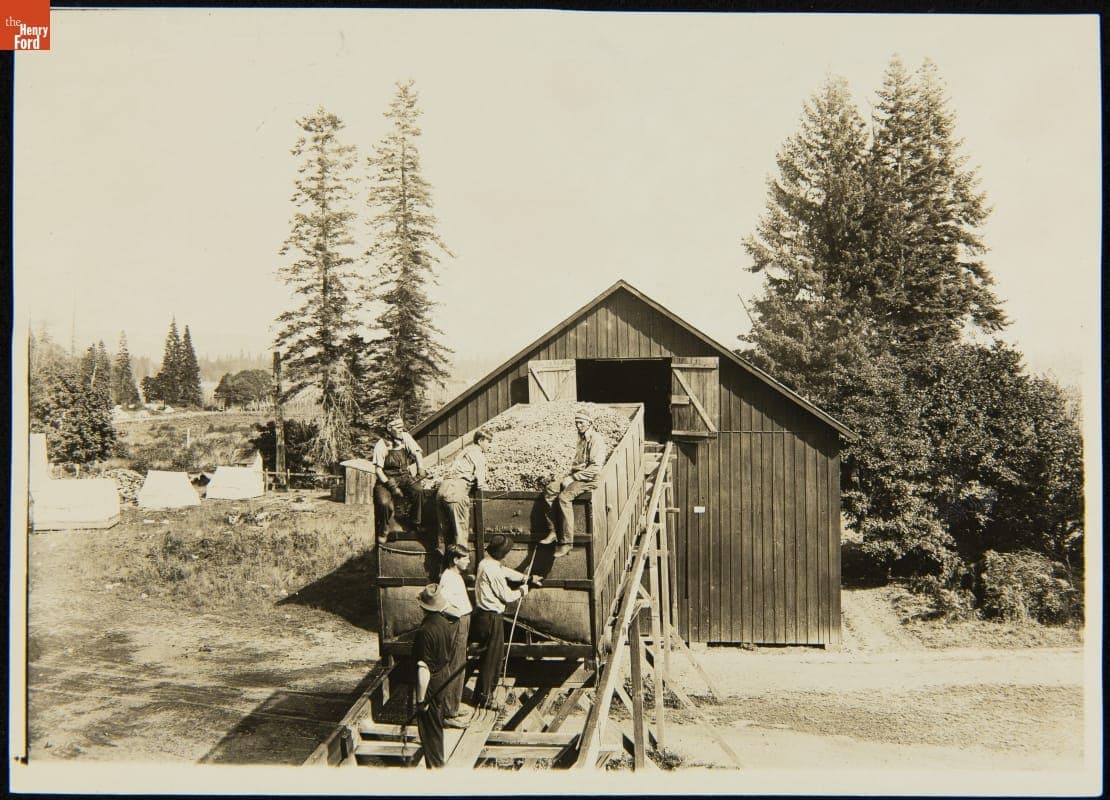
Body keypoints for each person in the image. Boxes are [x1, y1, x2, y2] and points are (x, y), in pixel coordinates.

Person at [470, 534, 541, 709]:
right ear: (502, 553)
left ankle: (480, 695)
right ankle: (485, 698)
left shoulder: (485, 563)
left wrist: (527, 578)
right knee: (492, 659)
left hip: (484, 616)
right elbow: (507, 596)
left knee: (491, 656)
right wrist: (524, 590)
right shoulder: (492, 570)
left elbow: (505, 572)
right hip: (491, 617)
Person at [540, 408, 607, 557]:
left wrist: (572, 478)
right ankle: (553, 532)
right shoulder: (581, 438)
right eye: (576, 422)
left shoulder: (596, 440)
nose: (578, 425)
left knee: (564, 498)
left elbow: (595, 468)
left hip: (588, 478)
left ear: (590, 423)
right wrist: (567, 474)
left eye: (581, 422)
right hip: (577, 474)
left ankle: (566, 543)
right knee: (550, 489)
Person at [412, 583, 458, 769]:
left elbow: (423, 669)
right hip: (444, 677)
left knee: (429, 729)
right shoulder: (445, 624)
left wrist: (421, 700)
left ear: (423, 607)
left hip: (431, 683)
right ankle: (439, 761)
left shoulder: (424, 632)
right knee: (437, 725)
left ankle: (436, 768)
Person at [435, 430, 493, 553]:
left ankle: (441, 561)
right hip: (456, 492)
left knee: (442, 532)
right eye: (488, 442)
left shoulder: (464, 451)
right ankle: (460, 567)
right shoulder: (478, 454)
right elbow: (481, 481)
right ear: (480, 441)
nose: (490, 445)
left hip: (441, 490)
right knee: (460, 533)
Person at [372, 416, 427, 544]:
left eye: (402, 427)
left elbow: (417, 453)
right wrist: (392, 487)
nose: (401, 430)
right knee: (384, 503)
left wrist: (421, 469)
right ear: (389, 428)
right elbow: (378, 471)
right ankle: (384, 528)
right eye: (397, 427)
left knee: (418, 490)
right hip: (386, 479)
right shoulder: (381, 444)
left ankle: (415, 523)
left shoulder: (405, 437)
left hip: (404, 476)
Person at [438, 543, 474, 726]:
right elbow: (442, 604)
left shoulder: (455, 576)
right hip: (457, 623)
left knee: (460, 663)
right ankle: (448, 714)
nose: (468, 561)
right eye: (465, 558)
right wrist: (458, 614)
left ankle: (453, 707)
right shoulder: (448, 578)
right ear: (455, 560)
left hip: (462, 622)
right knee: (455, 665)